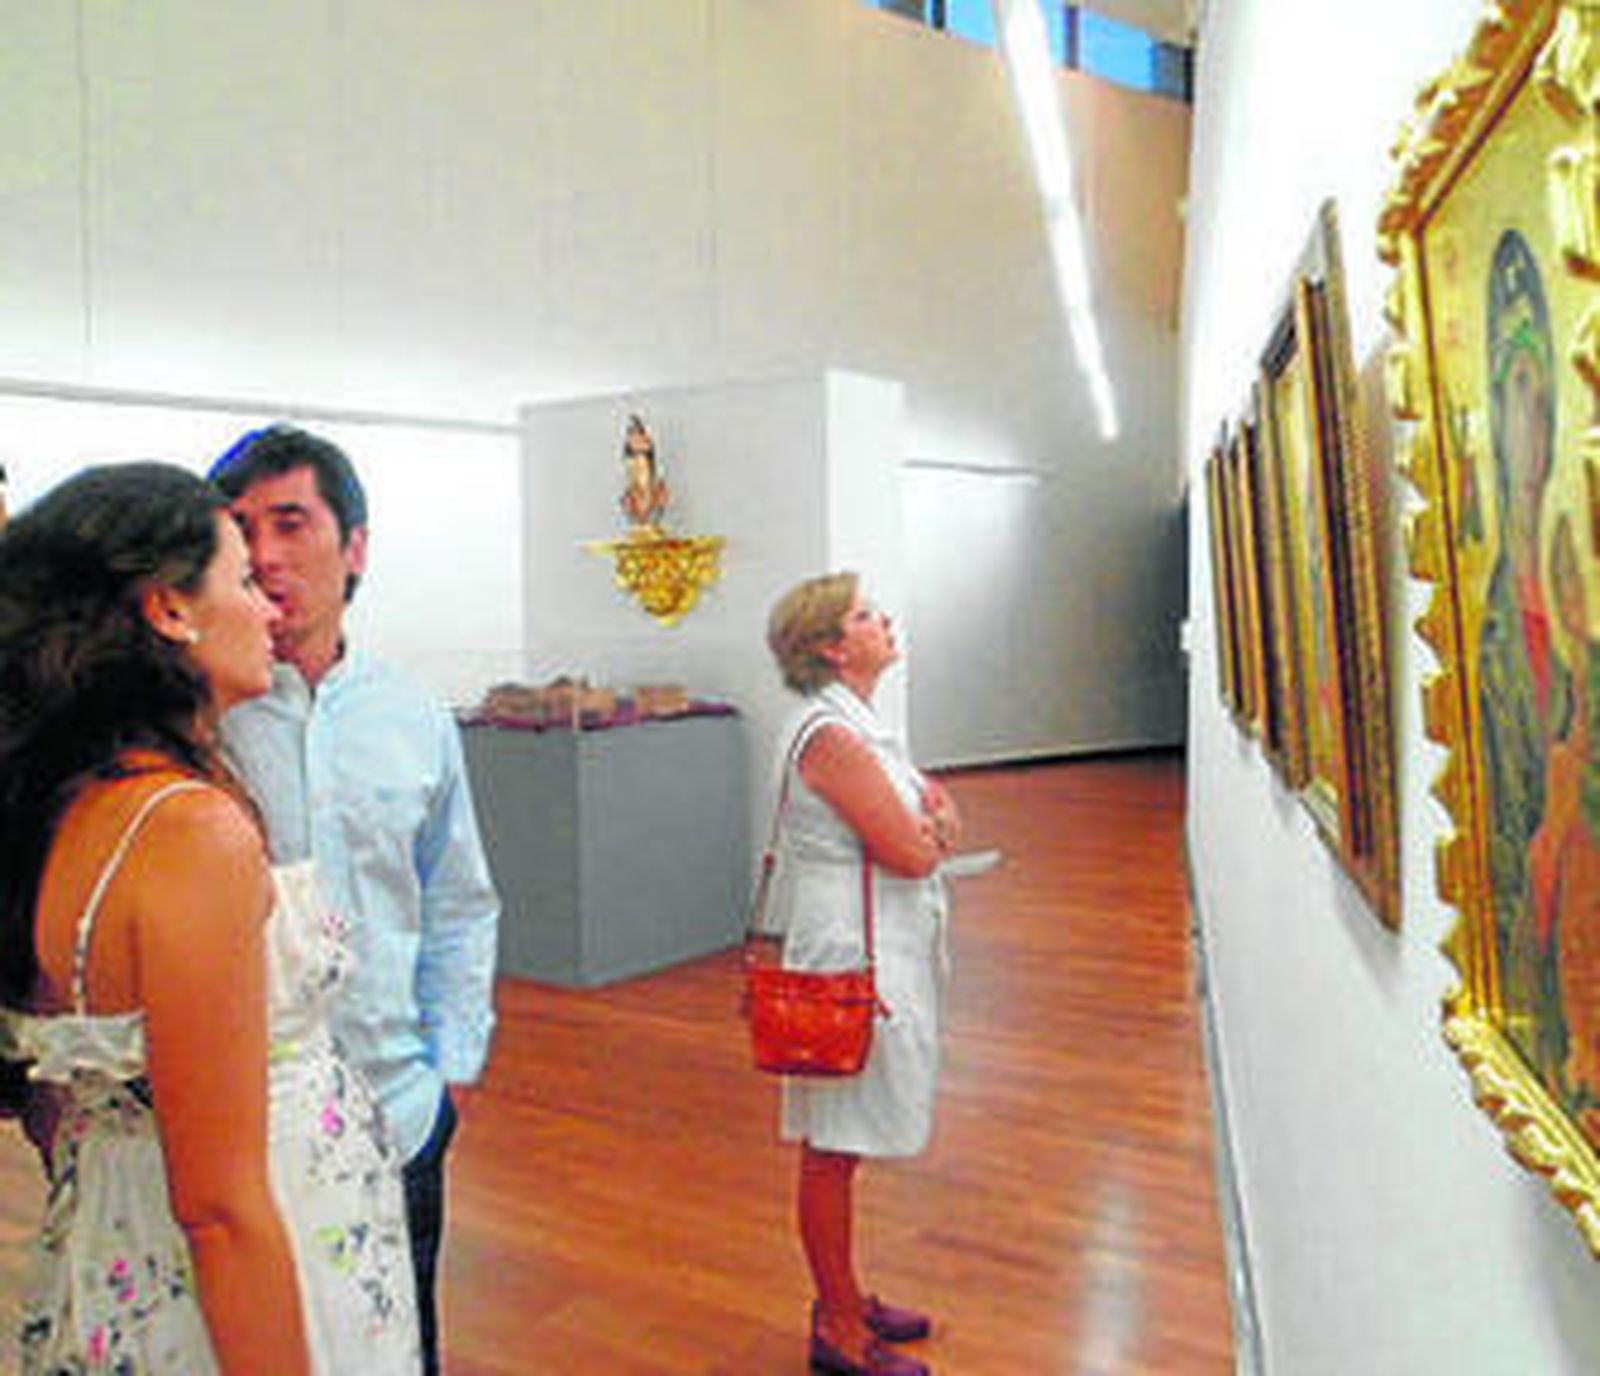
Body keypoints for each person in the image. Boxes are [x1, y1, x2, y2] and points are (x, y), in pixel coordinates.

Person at [0, 462, 417, 1373]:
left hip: (123, 1244)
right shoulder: (189, 833)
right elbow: (220, 1212)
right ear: (169, 609)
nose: (268, 610)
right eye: (241, 581)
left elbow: (60, 1109)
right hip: (244, 1275)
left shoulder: (72, 806)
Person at [210, 424, 500, 1376]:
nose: (264, 554)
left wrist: (452, 1065)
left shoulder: (413, 715)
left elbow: (457, 899)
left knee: (403, 1345)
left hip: (397, 1111)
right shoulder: (196, 722)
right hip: (247, 1133)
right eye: (241, 528)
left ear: (356, 548)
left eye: (291, 523)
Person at [762, 572, 961, 1376]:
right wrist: (931, 831)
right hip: (849, 957)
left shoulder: (860, 728)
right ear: (831, 648)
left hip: (871, 945)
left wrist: (931, 826)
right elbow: (913, 849)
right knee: (834, 1143)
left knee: (845, 1135)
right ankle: (838, 1324)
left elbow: (937, 812)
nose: (884, 621)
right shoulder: (832, 738)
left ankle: (844, 1293)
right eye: (864, 615)